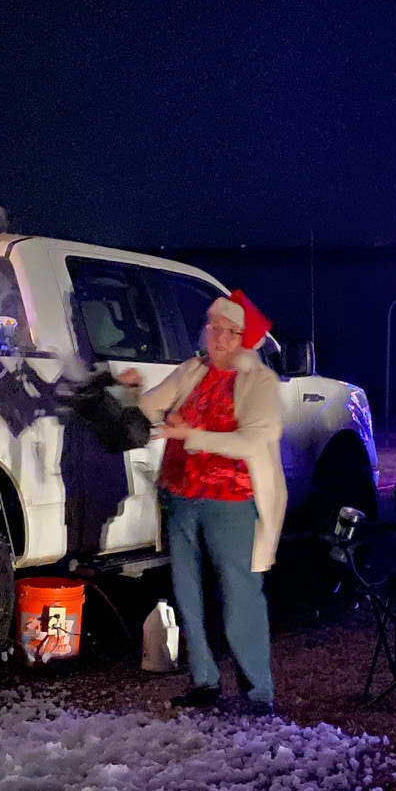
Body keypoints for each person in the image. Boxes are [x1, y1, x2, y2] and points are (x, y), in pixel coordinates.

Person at [118, 290, 285, 712]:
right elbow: (151, 408)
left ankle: (258, 690)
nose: (221, 339)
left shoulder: (258, 382)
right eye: (215, 329)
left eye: (232, 333)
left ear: (246, 340)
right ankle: (205, 681)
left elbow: (255, 438)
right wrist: (131, 394)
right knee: (187, 593)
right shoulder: (194, 369)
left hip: (231, 499)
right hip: (181, 495)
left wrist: (190, 435)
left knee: (240, 593)